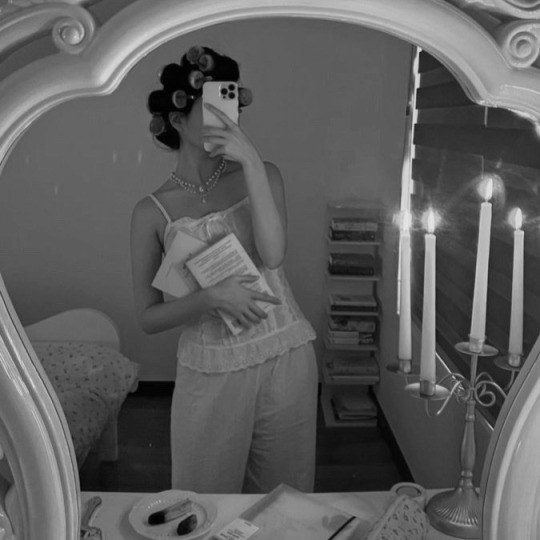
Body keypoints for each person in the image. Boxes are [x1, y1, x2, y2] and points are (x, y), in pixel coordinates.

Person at [130, 45, 317, 494]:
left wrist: (249, 159)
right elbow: (148, 317)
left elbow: (273, 256)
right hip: (210, 367)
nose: (227, 116)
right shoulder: (151, 212)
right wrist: (211, 297)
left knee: (285, 497)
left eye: (232, 103)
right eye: (212, 105)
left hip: (286, 353)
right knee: (202, 498)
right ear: (177, 119)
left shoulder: (264, 174)